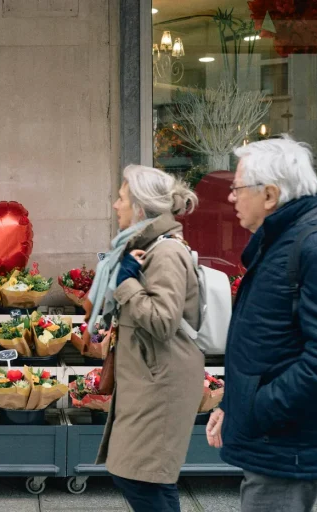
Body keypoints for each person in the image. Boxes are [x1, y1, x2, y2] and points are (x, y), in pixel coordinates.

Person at [205, 135, 317, 512]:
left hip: (290, 444)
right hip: (279, 439)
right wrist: (233, 405)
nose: (231, 198)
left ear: (270, 195)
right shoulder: (283, 242)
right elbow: (270, 346)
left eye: (237, 188)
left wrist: (257, 409)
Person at [90, 164, 204, 512]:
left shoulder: (166, 252)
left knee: (145, 479)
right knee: (141, 477)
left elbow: (163, 321)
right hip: (149, 379)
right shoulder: (147, 247)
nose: (114, 205)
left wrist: (126, 284)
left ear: (140, 207)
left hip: (161, 384)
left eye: (121, 198)